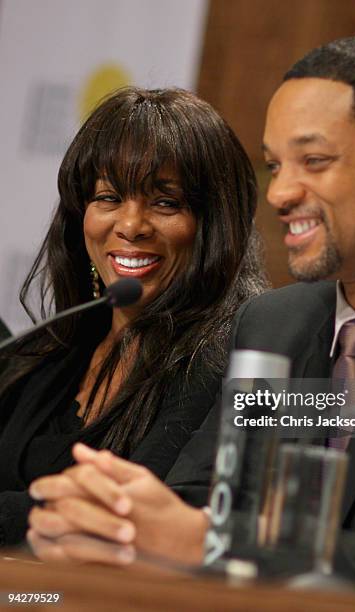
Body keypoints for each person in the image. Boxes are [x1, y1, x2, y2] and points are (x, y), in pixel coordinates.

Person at [28, 37, 355, 598]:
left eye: (314, 161)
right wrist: (115, 515)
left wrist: (208, 543)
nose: (282, 192)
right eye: (275, 166)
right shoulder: (274, 325)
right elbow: (199, 494)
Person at [0, 86, 267, 547]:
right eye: (109, 197)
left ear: (213, 225)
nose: (130, 225)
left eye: (165, 203)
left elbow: (127, 520)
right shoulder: (48, 355)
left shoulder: (227, 363)